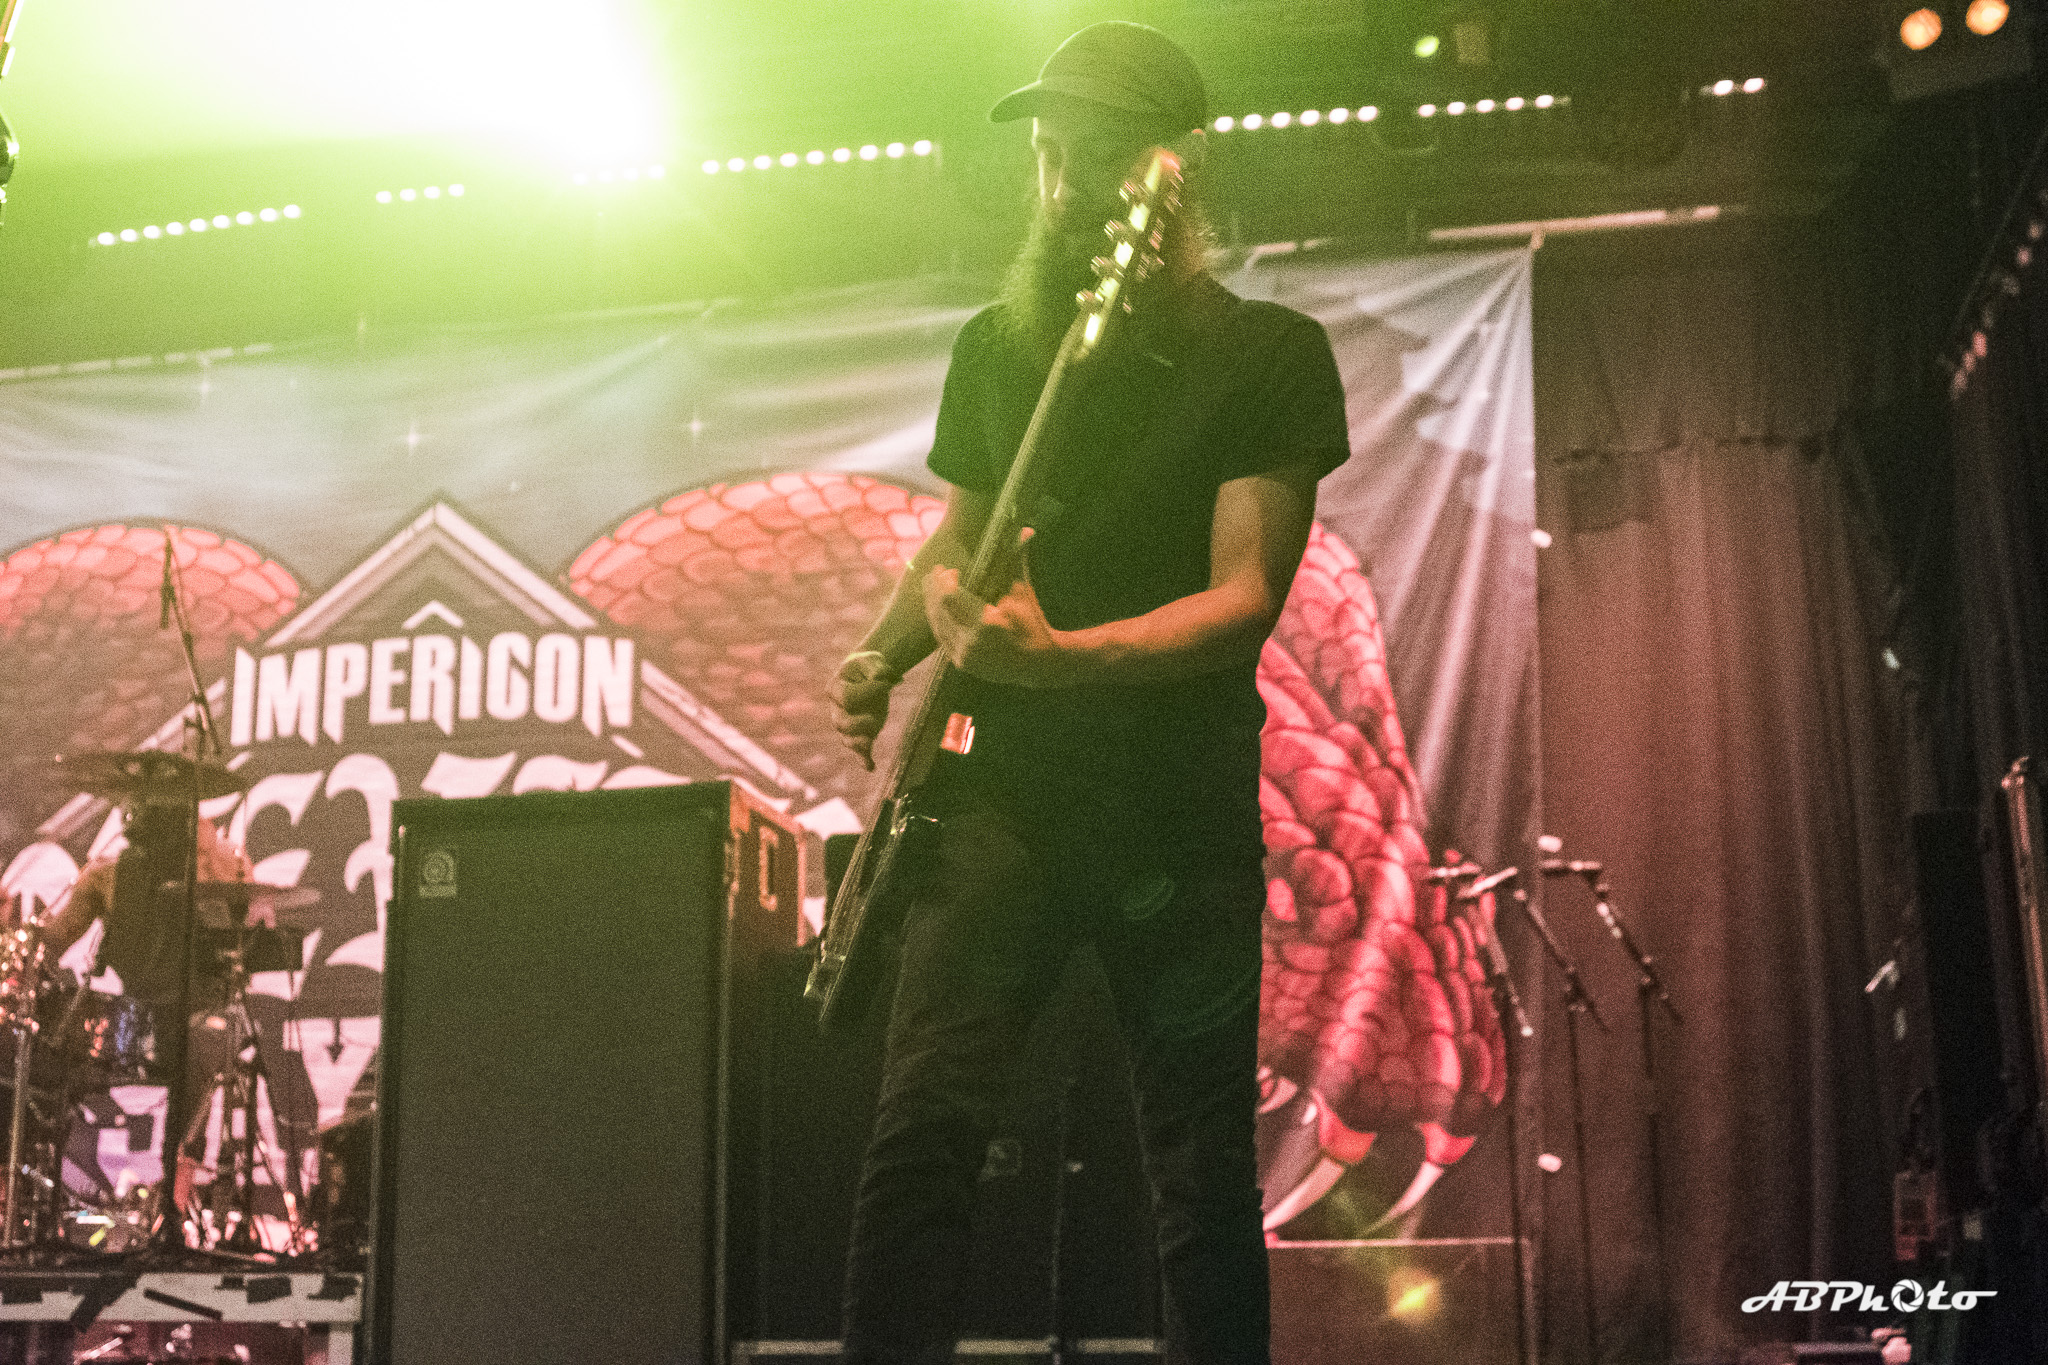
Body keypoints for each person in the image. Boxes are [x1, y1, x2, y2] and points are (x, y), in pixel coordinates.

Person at [827, 21, 1352, 1365]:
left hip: (1173, 807)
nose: (1063, 187)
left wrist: (1060, 657)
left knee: (1197, 1172)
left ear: (1174, 174)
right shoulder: (999, 350)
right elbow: (962, 541)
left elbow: (1243, 598)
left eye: (1098, 155)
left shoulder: (1269, 355)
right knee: (921, 1132)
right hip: (997, 796)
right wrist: (886, 655)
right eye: (1050, 157)